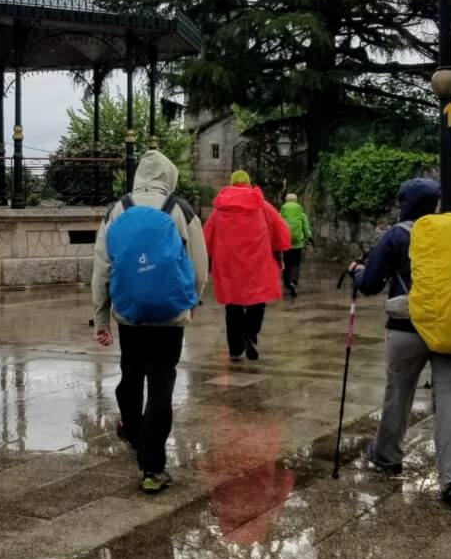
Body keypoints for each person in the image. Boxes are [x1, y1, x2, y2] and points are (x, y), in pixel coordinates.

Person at [350, 177, 451, 512]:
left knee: (398, 392)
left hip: (407, 327)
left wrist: (357, 272)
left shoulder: (397, 235)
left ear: (405, 204)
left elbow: (371, 284)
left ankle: (388, 456)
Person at [92, 149, 208, 494]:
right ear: (168, 177)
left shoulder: (118, 209)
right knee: (161, 386)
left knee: (131, 376)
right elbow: (200, 265)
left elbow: (102, 268)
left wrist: (101, 318)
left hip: (130, 314)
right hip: (170, 316)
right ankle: (152, 468)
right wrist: (191, 302)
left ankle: (131, 429)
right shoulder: (181, 210)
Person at [203, 170, 290, 361]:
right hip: (257, 261)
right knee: (258, 300)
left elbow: (206, 236)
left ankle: (235, 349)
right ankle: (249, 332)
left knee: (232, 305)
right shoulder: (262, 206)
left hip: (228, 264)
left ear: (232, 183)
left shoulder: (220, 209)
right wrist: (279, 253)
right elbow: (279, 229)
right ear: (249, 183)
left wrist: (206, 261)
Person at [278, 193, 312, 297]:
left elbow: (277, 225)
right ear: (296, 201)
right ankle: (293, 282)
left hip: (285, 243)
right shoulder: (301, 214)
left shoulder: (281, 212)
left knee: (286, 263)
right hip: (298, 244)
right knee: (295, 264)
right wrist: (309, 238)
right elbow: (306, 228)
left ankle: (287, 284)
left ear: (286, 201)